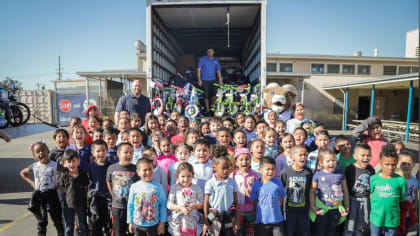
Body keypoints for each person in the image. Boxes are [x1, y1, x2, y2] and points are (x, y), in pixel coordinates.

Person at [20, 141, 65, 236]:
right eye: (37, 152)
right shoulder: (34, 166)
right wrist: (32, 183)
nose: (41, 153)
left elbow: (66, 172)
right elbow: (23, 173)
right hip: (39, 195)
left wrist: (60, 183)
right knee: (42, 221)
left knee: (57, 219)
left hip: (52, 194)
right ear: (34, 156)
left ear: (48, 151)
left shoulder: (55, 165)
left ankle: (61, 233)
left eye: (43, 150)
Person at [309, 148, 349, 236]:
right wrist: (312, 205)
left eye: (333, 160)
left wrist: (346, 205)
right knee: (320, 232)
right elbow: (312, 190)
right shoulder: (318, 174)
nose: (331, 163)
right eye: (328, 161)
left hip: (335, 209)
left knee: (331, 232)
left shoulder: (340, 174)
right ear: (321, 163)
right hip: (322, 209)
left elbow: (345, 190)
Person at [369, 144, 407, 236]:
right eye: (387, 164)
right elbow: (370, 195)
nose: (390, 167)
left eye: (393, 164)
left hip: (392, 220)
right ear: (380, 162)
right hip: (376, 220)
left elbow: (402, 198)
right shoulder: (373, 179)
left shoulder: (401, 180)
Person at [106, 142, 139, 236]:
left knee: (132, 231)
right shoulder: (112, 168)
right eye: (126, 152)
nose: (129, 155)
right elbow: (109, 182)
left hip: (132, 206)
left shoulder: (135, 168)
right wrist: (113, 194)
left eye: (131, 152)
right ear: (118, 154)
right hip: (117, 206)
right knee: (118, 231)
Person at [127, 158, 167, 236]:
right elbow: (130, 205)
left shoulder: (158, 187)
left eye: (150, 169)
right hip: (137, 225)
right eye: (145, 170)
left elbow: (162, 205)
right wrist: (130, 222)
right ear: (138, 172)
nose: (148, 172)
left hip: (153, 225)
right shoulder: (134, 187)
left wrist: (162, 222)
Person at [280, 145, 313, 236]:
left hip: (303, 210)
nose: (303, 157)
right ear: (292, 157)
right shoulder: (285, 172)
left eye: (305, 155)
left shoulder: (308, 173)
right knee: (289, 232)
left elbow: (311, 191)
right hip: (289, 211)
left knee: (303, 232)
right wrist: (280, 208)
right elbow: (281, 191)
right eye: (300, 155)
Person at [343, 143, 375, 236]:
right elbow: (345, 187)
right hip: (352, 200)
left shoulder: (371, 170)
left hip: (365, 200)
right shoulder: (350, 168)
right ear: (355, 156)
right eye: (363, 155)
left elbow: (372, 186)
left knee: (362, 223)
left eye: (368, 155)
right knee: (350, 223)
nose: (366, 158)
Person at [250, 157, 287, 235]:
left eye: (273, 169)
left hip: (277, 220)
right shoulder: (256, 185)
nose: (271, 171)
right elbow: (254, 200)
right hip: (262, 221)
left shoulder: (278, 182)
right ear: (260, 170)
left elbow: (281, 197)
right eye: (268, 169)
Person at [203, 156, 239, 236]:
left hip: (229, 217)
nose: (226, 171)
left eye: (227, 167)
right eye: (223, 168)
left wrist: (237, 220)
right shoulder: (210, 183)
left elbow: (236, 202)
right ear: (214, 167)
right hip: (214, 218)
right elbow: (206, 203)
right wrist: (206, 221)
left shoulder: (232, 183)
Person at [167, 162, 204, 236]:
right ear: (177, 176)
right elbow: (169, 204)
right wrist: (180, 208)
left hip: (192, 222)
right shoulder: (175, 188)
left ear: (192, 175)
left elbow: (203, 204)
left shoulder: (196, 188)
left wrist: (195, 206)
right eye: (183, 176)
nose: (186, 179)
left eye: (189, 176)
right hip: (178, 222)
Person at [58, 149, 89, 236]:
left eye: (73, 161)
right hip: (68, 205)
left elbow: (86, 187)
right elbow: (62, 188)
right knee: (69, 226)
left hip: (81, 204)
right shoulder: (64, 175)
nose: (71, 164)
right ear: (64, 163)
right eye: (69, 162)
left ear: (78, 161)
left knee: (83, 225)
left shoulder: (82, 174)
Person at [230, 148, 259, 236]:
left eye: (247, 159)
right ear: (236, 162)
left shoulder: (254, 175)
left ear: (250, 161)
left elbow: (258, 191)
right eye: (241, 159)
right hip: (238, 210)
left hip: (251, 210)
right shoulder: (233, 175)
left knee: (250, 232)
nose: (244, 162)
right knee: (238, 232)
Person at [87, 140, 112, 236]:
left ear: (107, 151)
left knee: (108, 224)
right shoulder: (91, 166)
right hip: (95, 199)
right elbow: (88, 182)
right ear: (93, 153)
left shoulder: (111, 166)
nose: (101, 153)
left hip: (108, 199)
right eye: (98, 151)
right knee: (95, 223)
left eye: (103, 150)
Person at [396, 150, 418, 236]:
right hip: (395, 213)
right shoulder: (394, 178)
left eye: (409, 163)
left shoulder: (414, 181)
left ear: (413, 165)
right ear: (397, 164)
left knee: (403, 232)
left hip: (407, 214)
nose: (406, 166)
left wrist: (415, 212)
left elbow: (415, 197)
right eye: (403, 163)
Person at [197, 48, 223, 115]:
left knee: (216, 95)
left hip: (213, 80)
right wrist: (199, 80)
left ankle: (212, 106)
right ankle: (208, 111)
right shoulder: (203, 59)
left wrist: (220, 80)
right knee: (206, 96)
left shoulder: (215, 60)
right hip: (205, 80)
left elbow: (218, 71)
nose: (210, 53)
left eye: (211, 51)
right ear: (207, 52)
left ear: (213, 52)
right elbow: (199, 69)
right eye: (208, 51)